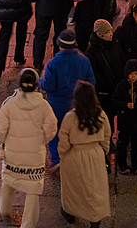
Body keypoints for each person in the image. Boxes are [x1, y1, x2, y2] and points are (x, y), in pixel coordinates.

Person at [0, 68, 57, 228]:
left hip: (12, 153)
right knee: (32, 190)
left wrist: (4, 141)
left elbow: (1, 129)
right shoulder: (43, 106)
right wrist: (41, 140)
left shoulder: (9, 104)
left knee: (9, 181)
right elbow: (51, 128)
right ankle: (28, 224)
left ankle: (4, 208)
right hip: (34, 156)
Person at [41, 30, 96, 170]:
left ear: (60, 45)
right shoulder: (84, 60)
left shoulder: (54, 63)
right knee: (75, 130)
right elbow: (91, 81)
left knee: (56, 132)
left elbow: (49, 85)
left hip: (57, 104)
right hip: (78, 104)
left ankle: (58, 159)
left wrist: (40, 82)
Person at [58, 81, 110, 228]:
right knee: (95, 190)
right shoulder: (101, 115)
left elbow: (64, 140)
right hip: (95, 155)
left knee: (74, 188)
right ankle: (95, 220)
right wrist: (103, 151)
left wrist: (63, 156)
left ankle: (71, 214)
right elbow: (107, 136)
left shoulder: (70, 117)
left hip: (74, 155)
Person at [85, 19, 125, 139]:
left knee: (114, 115)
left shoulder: (115, 44)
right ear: (100, 35)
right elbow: (95, 74)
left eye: (110, 31)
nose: (110, 34)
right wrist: (106, 85)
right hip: (104, 92)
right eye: (107, 33)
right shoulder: (92, 52)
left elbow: (122, 60)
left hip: (117, 87)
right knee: (106, 117)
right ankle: (106, 139)